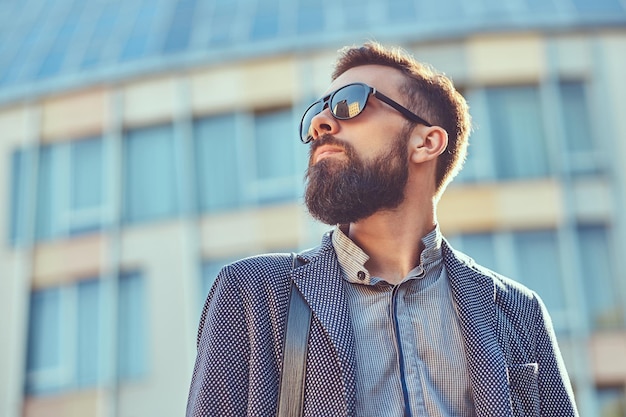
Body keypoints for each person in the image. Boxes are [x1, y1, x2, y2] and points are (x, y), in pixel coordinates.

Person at [186, 42, 579, 417]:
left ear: (426, 141)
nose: (321, 123)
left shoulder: (517, 310)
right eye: (316, 114)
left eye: (350, 103)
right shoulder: (255, 293)